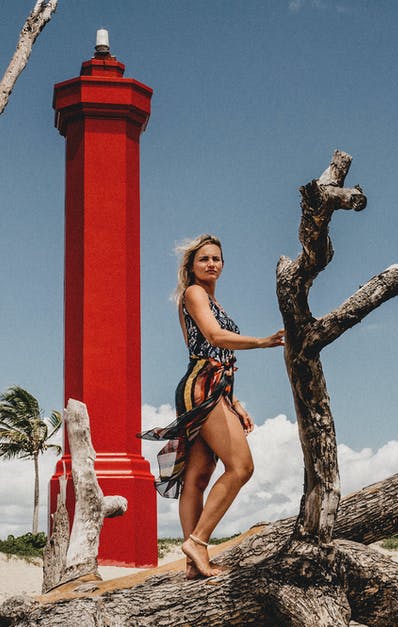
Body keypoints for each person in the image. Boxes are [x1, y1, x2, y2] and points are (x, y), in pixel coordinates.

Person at [138, 234, 285, 579]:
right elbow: (215, 339)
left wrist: (234, 403)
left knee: (198, 477)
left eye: (216, 259)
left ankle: (193, 565)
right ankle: (198, 542)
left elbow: (220, 355)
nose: (211, 264)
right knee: (241, 466)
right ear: (191, 266)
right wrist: (263, 342)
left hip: (215, 387)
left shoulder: (212, 300)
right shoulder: (194, 294)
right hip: (202, 386)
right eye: (204, 259)